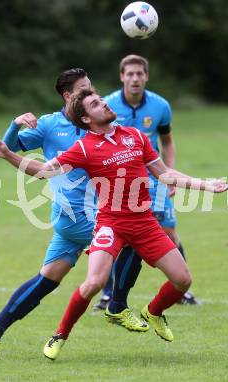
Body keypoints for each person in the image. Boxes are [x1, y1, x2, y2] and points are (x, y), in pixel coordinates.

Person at [0, 88, 228, 360]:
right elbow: (44, 171)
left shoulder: (135, 136)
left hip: (145, 223)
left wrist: (206, 185)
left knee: (183, 280)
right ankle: (60, 334)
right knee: (94, 283)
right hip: (110, 224)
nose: (104, 103)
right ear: (85, 119)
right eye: (95, 103)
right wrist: (8, 154)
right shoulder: (83, 148)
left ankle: (153, 312)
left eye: (101, 99)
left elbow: (165, 174)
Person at [0, 69, 148, 359]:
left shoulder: (96, 123)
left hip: (81, 215)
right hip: (79, 215)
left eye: (91, 88)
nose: (91, 94)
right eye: (84, 90)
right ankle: (117, 306)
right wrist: (14, 124)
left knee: (48, 279)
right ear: (69, 97)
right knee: (133, 239)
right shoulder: (49, 125)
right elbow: (11, 146)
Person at [93, 55, 198, 315]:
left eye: (140, 74)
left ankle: (181, 289)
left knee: (169, 232)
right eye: (130, 74)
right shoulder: (107, 106)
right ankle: (108, 296)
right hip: (118, 185)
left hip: (154, 177)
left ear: (146, 76)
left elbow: (168, 142)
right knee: (115, 237)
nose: (135, 78)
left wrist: (170, 173)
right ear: (122, 77)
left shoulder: (161, 106)